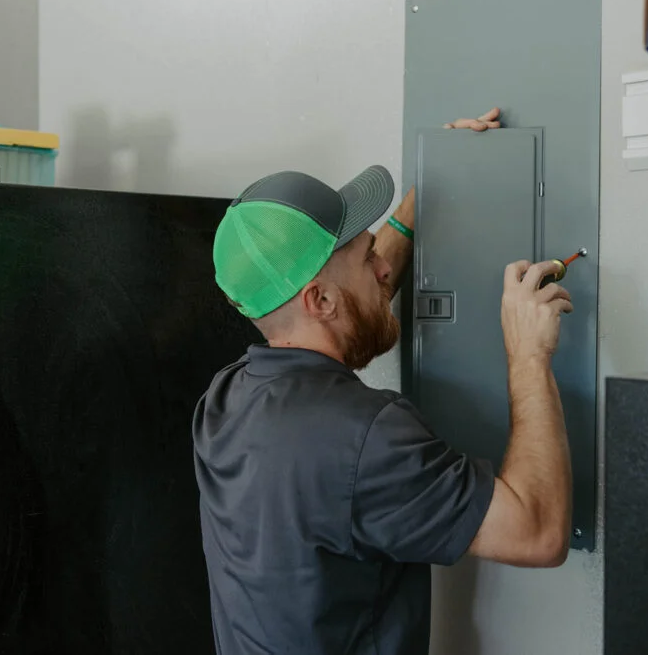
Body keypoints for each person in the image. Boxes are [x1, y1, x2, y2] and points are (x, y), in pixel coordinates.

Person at [193, 108, 574, 655]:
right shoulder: (368, 435)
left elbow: (340, 317)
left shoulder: (223, 401)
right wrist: (528, 352)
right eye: (367, 257)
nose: (383, 270)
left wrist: (428, 194)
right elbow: (539, 533)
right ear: (320, 300)